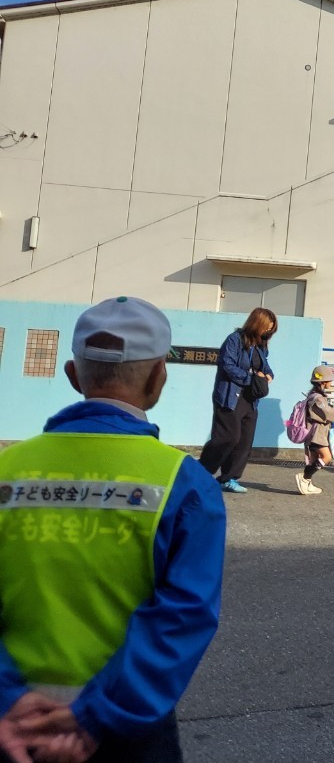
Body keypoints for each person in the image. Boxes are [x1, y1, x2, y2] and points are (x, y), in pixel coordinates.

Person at [0, 296, 226, 763]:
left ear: (73, 375)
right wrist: (95, 714)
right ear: (159, 376)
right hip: (128, 731)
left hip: (13, 728)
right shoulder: (186, 485)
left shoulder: (8, 469)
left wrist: (9, 702)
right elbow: (183, 616)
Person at [198, 307, 277, 494]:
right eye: (267, 327)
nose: (268, 332)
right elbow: (227, 365)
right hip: (230, 396)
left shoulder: (261, 345)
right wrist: (252, 378)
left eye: (271, 329)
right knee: (227, 438)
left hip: (251, 400)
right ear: (257, 324)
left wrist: (268, 375)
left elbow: (264, 366)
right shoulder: (234, 340)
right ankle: (200, 473)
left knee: (244, 441)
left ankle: (229, 478)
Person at [296, 365, 334, 496]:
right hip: (317, 434)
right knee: (327, 457)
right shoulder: (318, 399)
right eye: (330, 380)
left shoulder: (313, 395)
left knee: (314, 459)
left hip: (313, 432)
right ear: (323, 381)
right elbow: (328, 414)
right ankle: (304, 478)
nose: (331, 383)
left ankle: (307, 482)